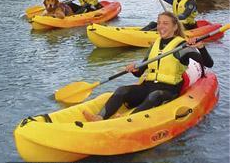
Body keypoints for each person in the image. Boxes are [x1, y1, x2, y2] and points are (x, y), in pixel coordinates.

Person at [83, 11, 213, 121]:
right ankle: (99, 118)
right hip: (148, 86)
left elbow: (208, 63)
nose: (160, 26)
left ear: (175, 27)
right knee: (122, 90)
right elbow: (141, 71)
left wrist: (201, 47)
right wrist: (134, 69)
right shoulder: (154, 45)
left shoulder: (182, 47)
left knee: (155, 95)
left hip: (168, 90)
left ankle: (126, 121)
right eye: (159, 23)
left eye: (165, 23)